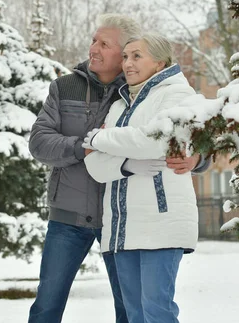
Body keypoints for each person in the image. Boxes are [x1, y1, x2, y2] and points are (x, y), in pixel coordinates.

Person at [28, 14, 209, 323]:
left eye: (105, 44)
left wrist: (198, 158)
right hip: (70, 215)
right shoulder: (66, 87)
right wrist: (84, 146)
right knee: (47, 305)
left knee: (131, 309)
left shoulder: (140, 90)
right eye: (93, 40)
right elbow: (40, 142)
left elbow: (181, 134)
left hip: (123, 220)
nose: (93, 49)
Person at [83, 32, 200, 323]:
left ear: (159, 63)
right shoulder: (120, 105)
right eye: (125, 56)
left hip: (161, 219)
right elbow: (95, 165)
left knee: (156, 309)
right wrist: (126, 165)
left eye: (137, 56)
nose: (127, 64)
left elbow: (156, 141)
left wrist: (101, 137)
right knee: (134, 313)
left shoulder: (177, 94)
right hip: (122, 224)